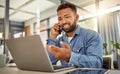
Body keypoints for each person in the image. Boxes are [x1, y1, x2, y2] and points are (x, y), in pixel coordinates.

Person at [46, 2, 103, 68]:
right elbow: (49, 62)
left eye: (67, 17)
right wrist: (53, 37)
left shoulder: (92, 36)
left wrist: (70, 57)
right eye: (60, 19)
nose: (63, 21)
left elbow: (97, 63)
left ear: (76, 17)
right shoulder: (59, 40)